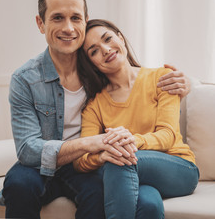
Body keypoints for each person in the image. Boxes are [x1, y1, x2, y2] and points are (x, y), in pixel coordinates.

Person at [0, 0, 192, 219]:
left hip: (98, 164)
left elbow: (139, 83)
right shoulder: (26, 79)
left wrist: (184, 83)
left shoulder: (98, 73)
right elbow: (28, 149)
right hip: (47, 164)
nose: (68, 28)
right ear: (41, 23)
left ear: (85, 20)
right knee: (19, 184)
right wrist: (95, 145)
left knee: (102, 186)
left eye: (75, 18)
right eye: (57, 18)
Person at [74, 19, 199, 219]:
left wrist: (131, 141)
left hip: (178, 168)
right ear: (91, 64)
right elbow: (81, 160)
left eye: (108, 39)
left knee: (120, 159)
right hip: (134, 175)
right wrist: (101, 156)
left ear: (121, 38)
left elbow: (167, 135)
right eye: (94, 51)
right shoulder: (94, 104)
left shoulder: (163, 78)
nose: (106, 49)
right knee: (149, 205)